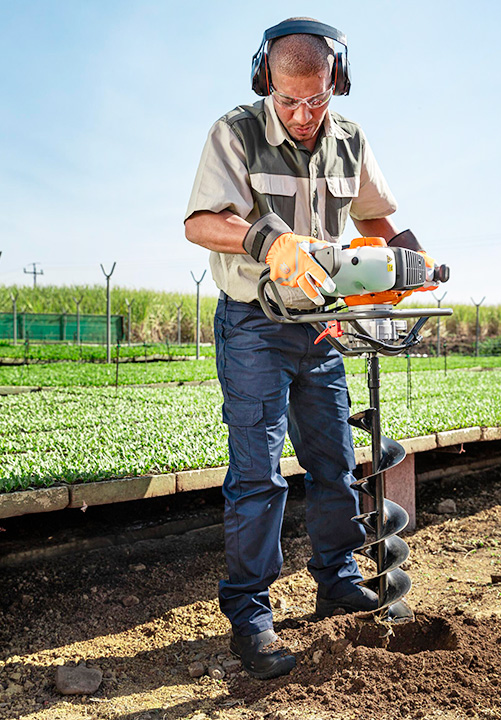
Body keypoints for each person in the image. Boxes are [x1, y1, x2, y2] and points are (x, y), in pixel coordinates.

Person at [184, 18, 432, 680]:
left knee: (335, 461)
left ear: (335, 83)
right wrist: (272, 242)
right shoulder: (234, 131)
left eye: (317, 99)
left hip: (320, 325)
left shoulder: (349, 141)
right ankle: (251, 616)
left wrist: (411, 261)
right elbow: (201, 223)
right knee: (259, 475)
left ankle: (338, 579)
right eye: (289, 100)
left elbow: (375, 220)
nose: (302, 115)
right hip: (255, 322)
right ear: (267, 81)